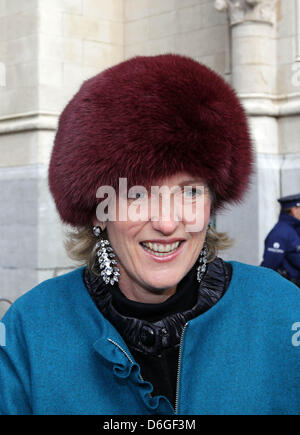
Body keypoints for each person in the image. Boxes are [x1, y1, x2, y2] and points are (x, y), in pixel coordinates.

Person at [1, 54, 300, 416]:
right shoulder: (30, 329)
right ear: (99, 212)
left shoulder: (282, 310)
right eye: (137, 194)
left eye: (189, 191)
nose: (166, 222)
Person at [261, 193, 300, 287]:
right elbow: (269, 265)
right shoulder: (280, 233)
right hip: (288, 289)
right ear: (294, 210)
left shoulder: (294, 229)